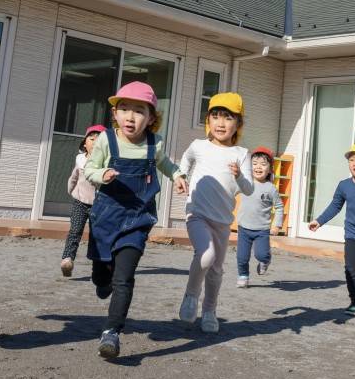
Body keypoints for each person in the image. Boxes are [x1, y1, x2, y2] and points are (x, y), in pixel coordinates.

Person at [84, 81, 189, 359]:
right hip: (106, 218)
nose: (131, 116)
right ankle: (101, 279)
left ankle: (112, 332)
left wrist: (178, 176)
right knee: (101, 274)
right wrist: (102, 174)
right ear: (115, 114)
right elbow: (90, 168)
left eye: (139, 111)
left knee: (125, 277)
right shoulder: (106, 139)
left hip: (138, 219)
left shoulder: (154, 143)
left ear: (151, 118)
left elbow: (164, 163)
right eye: (124, 109)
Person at [177, 93, 254, 333]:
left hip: (222, 221)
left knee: (217, 270)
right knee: (206, 255)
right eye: (215, 116)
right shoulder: (198, 146)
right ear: (207, 120)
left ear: (238, 124)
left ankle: (209, 311)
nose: (220, 123)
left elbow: (249, 189)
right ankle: (191, 296)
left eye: (228, 117)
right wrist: (180, 176)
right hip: (197, 213)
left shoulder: (242, 154)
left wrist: (239, 175)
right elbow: (185, 162)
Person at [308, 142, 355, 315]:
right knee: (351, 270)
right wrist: (319, 221)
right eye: (352, 160)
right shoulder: (344, 185)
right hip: (352, 236)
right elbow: (335, 205)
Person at [235, 146, 285, 289]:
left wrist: (277, 225)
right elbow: (231, 191)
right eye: (255, 163)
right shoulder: (245, 182)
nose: (258, 167)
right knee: (242, 257)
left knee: (261, 254)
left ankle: (265, 261)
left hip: (262, 230)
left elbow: (280, 207)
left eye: (263, 164)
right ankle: (243, 276)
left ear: (270, 169)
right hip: (244, 227)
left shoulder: (271, 188)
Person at [60, 124, 105, 276]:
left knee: (97, 235)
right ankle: (67, 259)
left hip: (98, 205)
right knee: (75, 230)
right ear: (85, 144)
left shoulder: (105, 163)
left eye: (99, 140)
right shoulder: (80, 160)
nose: (94, 142)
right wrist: (71, 190)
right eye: (91, 139)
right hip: (80, 201)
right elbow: (74, 177)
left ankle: (97, 265)